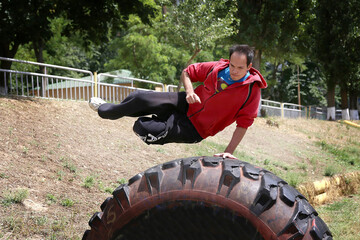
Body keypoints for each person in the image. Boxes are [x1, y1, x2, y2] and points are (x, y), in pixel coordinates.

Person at [89, 44, 267, 159]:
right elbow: (187, 72)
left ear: (249, 67)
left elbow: (244, 124)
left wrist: (228, 151)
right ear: (229, 61)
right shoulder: (217, 68)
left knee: (144, 129)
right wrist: (189, 91)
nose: (234, 71)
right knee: (139, 97)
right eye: (232, 66)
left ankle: (161, 119)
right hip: (186, 103)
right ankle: (106, 110)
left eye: (240, 68)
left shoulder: (252, 90)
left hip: (195, 128)